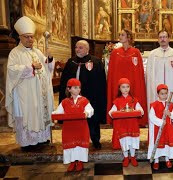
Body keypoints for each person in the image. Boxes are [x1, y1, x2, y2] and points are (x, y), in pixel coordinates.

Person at [5, 16, 55, 151]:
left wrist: (49, 59)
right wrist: (30, 67)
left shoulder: (37, 51)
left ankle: (42, 139)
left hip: (39, 93)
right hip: (25, 94)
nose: (30, 40)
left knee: (40, 113)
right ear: (20, 37)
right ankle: (27, 142)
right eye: (27, 37)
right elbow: (12, 70)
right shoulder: (15, 53)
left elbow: (47, 67)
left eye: (31, 37)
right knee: (29, 114)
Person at [59, 40, 106, 150]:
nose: (77, 49)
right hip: (73, 97)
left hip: (91, 95)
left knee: (92, 118)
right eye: (76, 47)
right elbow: (64, 80)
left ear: (87, 49)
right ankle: (76, 140)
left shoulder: (96, 62)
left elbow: (101, 81)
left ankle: (95, 140)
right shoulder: (71, 62)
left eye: (80, 47)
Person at [147, 30, 173, 146]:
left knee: (172, 111)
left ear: (169, 39)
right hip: (158, 89)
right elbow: (149, 74)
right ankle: (157, 138)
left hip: (172, 87)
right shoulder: (153, 54)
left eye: (165, 37)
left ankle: (172, 138)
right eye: (160, 37)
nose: (163, 39)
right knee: (158, 112)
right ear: (158, 39)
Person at [107, 29, 148, 127]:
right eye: (120, 35)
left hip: (132, 83)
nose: (120, 37)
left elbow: (139, 72)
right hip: (119, 84)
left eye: (122, 35)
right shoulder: (115, 53)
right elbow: (112, 72)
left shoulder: (136, 52)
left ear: (128, 37)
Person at [52, 78, 94, 172]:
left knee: (80, 145)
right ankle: (72, 161)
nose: (78, 90)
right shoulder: (65, 102)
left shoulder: (84, 100)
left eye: (79, 88)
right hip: (69, 128)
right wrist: (53, 114)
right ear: (69, 89)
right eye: (75, 88)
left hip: (81, 127)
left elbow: (90, 109)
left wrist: (87, 112)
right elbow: (58, 112)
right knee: (71, 145)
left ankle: (79, 161)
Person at [109, 78, 144, 167]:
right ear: (119, 89)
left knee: (132, 141)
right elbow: (111, 112)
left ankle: (132, 157)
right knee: (124, 141)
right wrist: (116, 113)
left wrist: (138, 111)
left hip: (132, 125)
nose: (125, 89)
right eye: (123, 87)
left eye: (127, 87)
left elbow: (141, 110)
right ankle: (125, 157)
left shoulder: (134, 100)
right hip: (122, 126)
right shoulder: (117, 101)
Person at [147, 84, 173, 170]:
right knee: (158, 143)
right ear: (158, 94)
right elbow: (151, 116)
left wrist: (170, 114)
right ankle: (156, 160)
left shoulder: (170, 105)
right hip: (158, 128)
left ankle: (167, 159)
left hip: (168, 128)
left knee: (167, 144)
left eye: (165, 93)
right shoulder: (154, 105)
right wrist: (160, 122)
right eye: (162, 94)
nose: (164, 95)